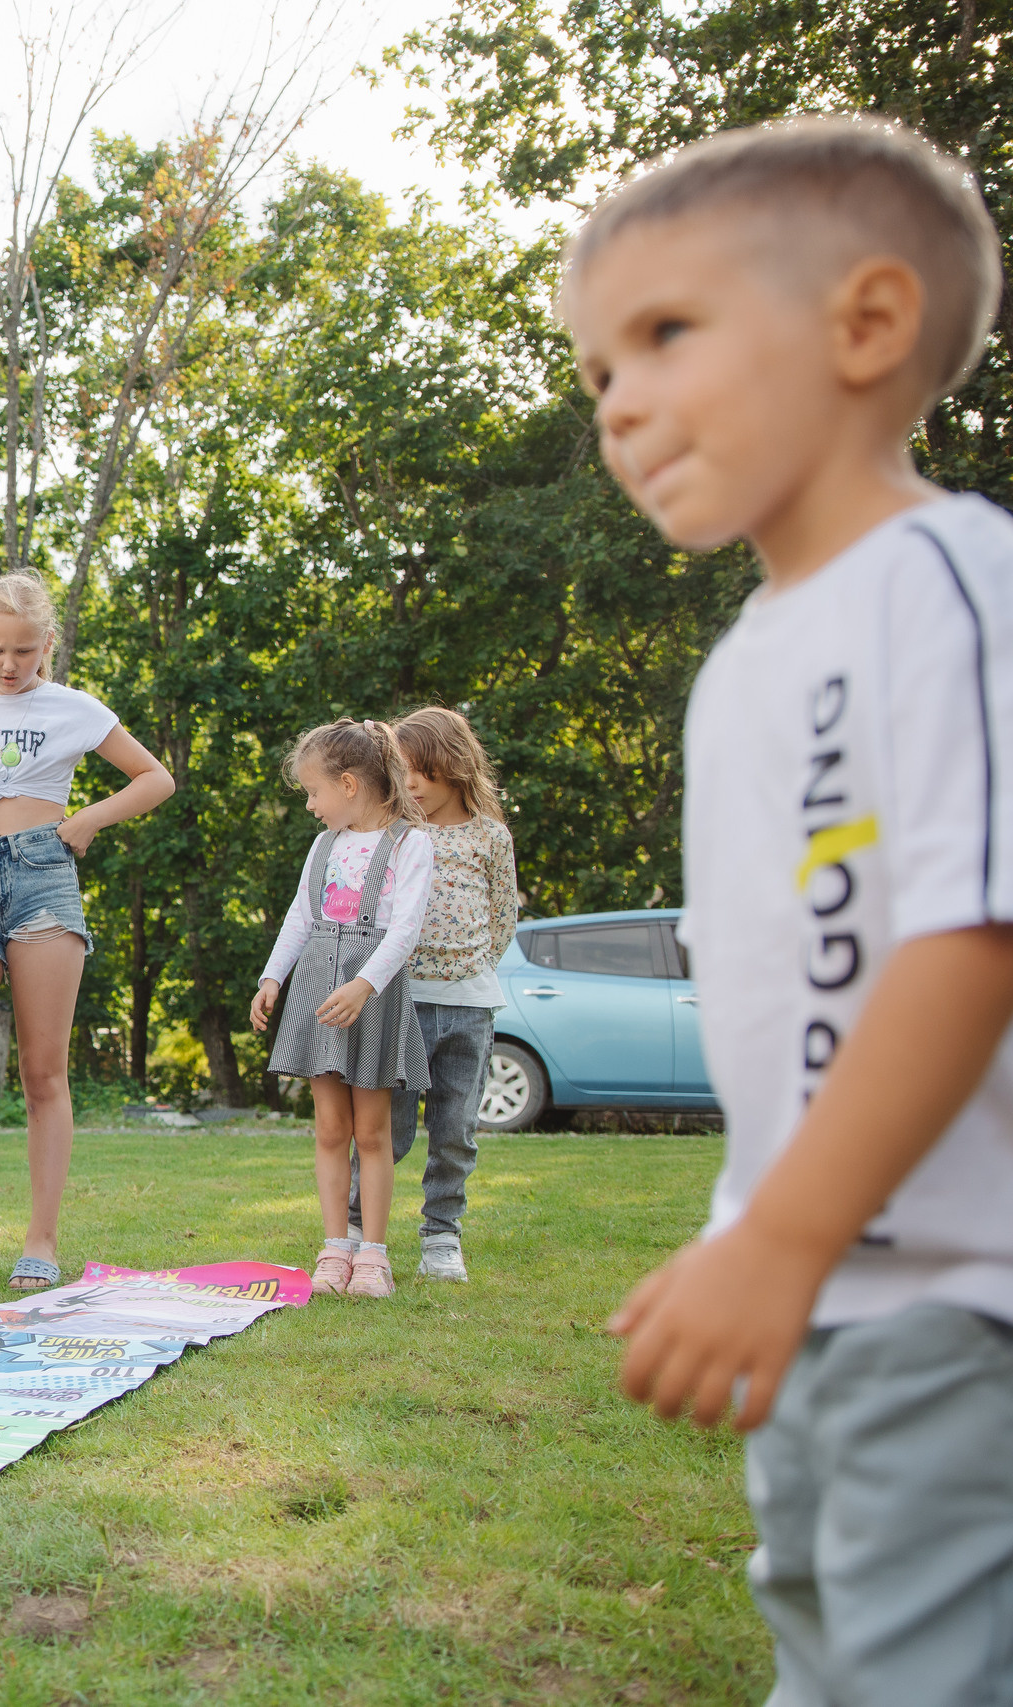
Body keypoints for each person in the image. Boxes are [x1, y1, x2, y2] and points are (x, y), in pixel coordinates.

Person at [572, 116, 1013, 1705]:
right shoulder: (748, 653)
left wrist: (793, 1229)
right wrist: (762, 1237)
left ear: (867, 324)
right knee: (826, 1644)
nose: (618, 399)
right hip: (811, 1288)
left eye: (664, 333)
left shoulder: (952, 582)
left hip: (955, 1296)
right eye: (598, 367)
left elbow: (972, 937)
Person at [0, 574, 175, 1291]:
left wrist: (89, 819)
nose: (9, 664)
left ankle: (40, 1238)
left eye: (25, 651)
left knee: (43, 1071)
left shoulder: (74, 708)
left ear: (48, 645)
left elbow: (154, 778)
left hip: (43, 874)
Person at [252, 720, 434, 1301]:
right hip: (316, 990)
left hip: (369, 994)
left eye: (313, 792)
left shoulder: (411, 843)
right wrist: (272, 977)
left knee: (372, 1130)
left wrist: (364, 984)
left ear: (349, 784)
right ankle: (336, 1247)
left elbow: (405, 929)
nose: (309, 805)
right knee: (331, 1127)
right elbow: (300, 917)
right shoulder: (324, 846)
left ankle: (374, 1255)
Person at [344, 706, 518, 1283]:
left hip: (468, 1005)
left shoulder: (490, 837)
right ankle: (354, 1226)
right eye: (402, 771)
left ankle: (442, 1235)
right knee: (382, 1128)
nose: (410, 784)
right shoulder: (392, 836)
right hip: (400, 1002)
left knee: (454, 1131)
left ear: (454, 766)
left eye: (419, 771)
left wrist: (466, 971)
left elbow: (502, 919)